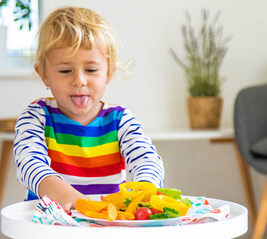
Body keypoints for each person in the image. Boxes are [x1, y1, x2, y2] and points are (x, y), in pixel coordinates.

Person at [13, 6, 165, 212]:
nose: (79, 80)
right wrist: (65, 195)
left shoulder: (120, 120)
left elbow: (146, 159)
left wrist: (144, 189)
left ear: (109, 71)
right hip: (48, 224)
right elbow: (28, 162)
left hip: (103, 224)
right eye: (65, 70)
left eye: (91, 70)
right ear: (44, 75)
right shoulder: (36, 116)